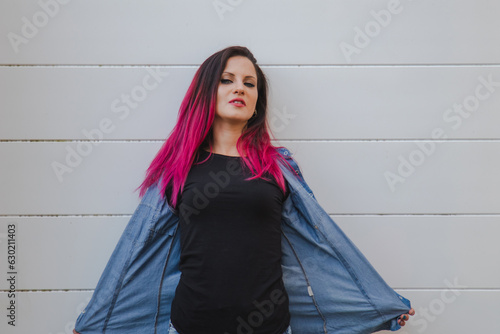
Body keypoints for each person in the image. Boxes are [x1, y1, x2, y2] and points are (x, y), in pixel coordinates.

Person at [73, 46, 414, 334]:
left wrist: (378, 304)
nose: (240, 88)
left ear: (256, 102)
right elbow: (136, 246)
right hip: (193, 325)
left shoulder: (278, 167)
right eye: (227, 80)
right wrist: (94, 321)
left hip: (268, 326)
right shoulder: (178, 167)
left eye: (250, 84)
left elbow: (324, 244)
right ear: (207, 91)